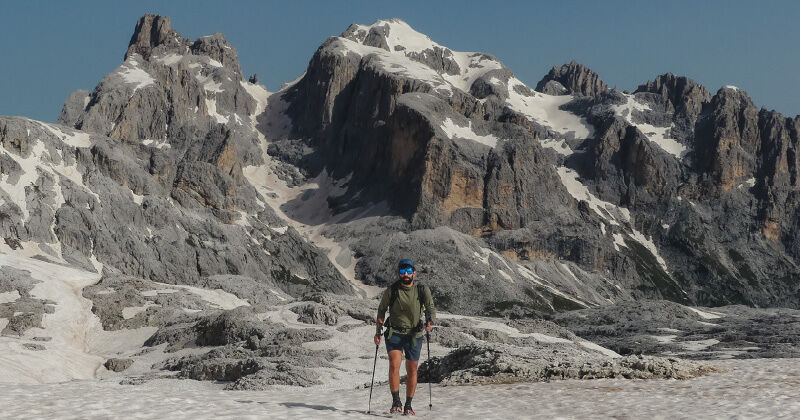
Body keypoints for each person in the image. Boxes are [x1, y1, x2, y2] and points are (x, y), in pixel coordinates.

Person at [374, 258, 435, 416]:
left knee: (412, 369)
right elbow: (381, 310)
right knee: (394, 365)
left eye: (409, 271)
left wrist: (430, 320)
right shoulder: (392, 290)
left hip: (414, 334)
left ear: (414, 273)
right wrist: (378, 331)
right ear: (399, 273)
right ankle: (396, 402)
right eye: (402, 271)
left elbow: (430, 308)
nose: (406, 274)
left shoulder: (422, 289)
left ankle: (408, 404)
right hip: (394, 333)